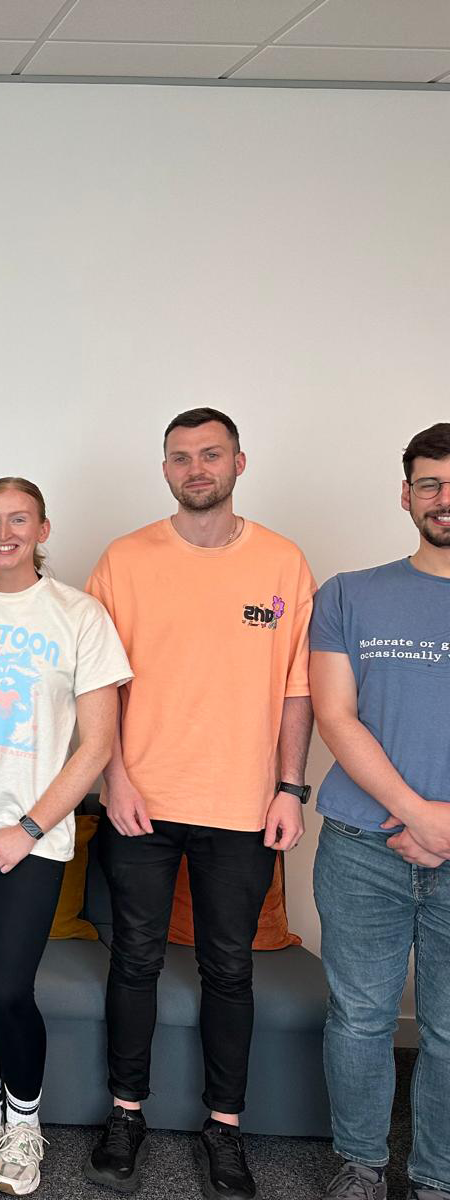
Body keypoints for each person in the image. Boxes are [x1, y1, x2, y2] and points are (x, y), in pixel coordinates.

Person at [82, 408, 314, 1200]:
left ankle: (225, 1127)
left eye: (210, 454)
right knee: (136, 961)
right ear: (166, 469)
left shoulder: (283, 563)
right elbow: (97, 686)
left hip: (244, 807)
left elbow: (296, 691)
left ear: (240, 462)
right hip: (140, 799)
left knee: (229, 968)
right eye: (180, 457)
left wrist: (289, 788)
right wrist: (111, 776)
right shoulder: (124, 559)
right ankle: (125, 1113)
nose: (196, 468)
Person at [0, 477, 129, 1196]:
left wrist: (30, 827)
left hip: (30, 837)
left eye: (18, 519)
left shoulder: (79, 614)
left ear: (43, 528)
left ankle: (24, 1126)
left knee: (8, 985)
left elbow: (96, 745)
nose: (3, 531)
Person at [310, 423, 450, 1200]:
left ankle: (436, 1178)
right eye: (429, 484)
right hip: (364, 846)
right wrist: (417, 814)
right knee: (360, 1018)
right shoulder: (348, 593)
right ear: (406, 495)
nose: (443, 499)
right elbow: (336, 716)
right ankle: (360, 1165)